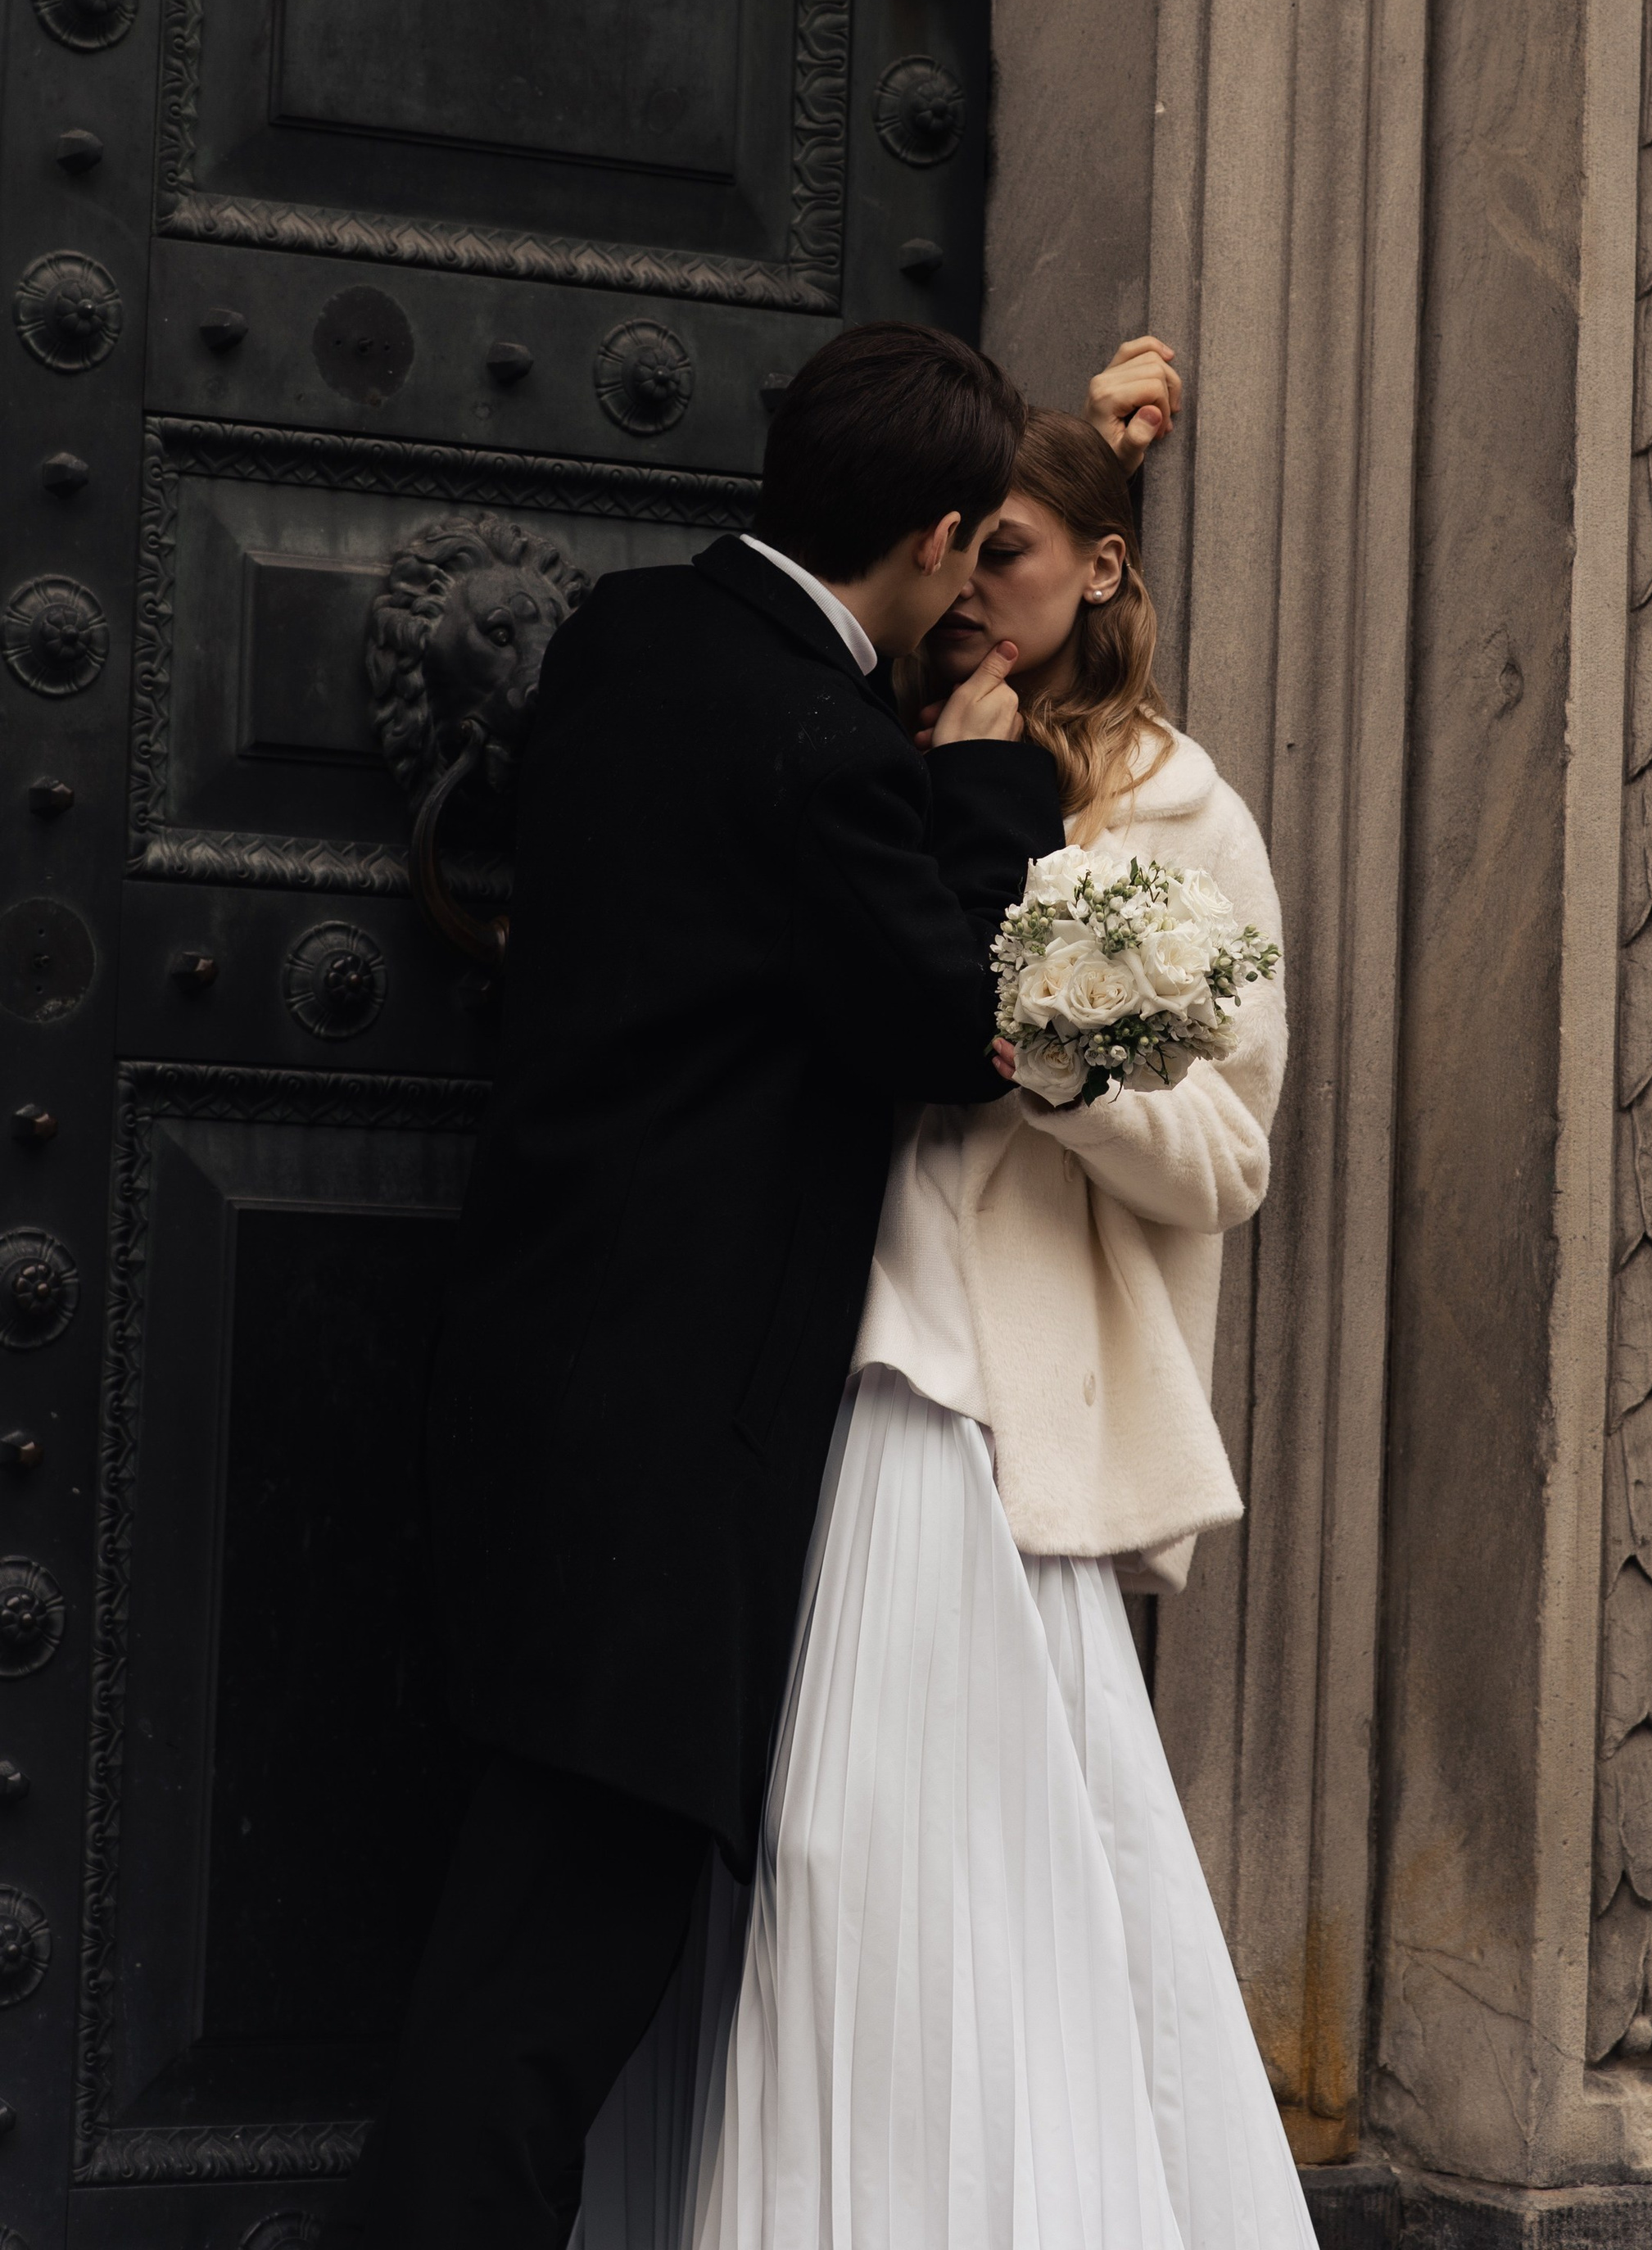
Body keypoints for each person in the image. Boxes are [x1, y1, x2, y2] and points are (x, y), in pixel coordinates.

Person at [337, 324, 1073, 2250]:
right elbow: (949, 1022)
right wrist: (988, 791)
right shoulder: (824, 751)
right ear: (935, 541)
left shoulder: (628, 637)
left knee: (502, 1945)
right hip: (661, 1463)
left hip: (525, 1377)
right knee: (541, 1999)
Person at [575, 401, 1313, 2250]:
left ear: (1102, 568)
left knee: (946, 1879)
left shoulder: (1180, 812)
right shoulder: (857, 742)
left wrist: (1055, 1058)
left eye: (1015, 553)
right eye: (960, 549)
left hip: (990, 1416)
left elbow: (1227, 1155)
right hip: (796, 1379)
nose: (976, 587)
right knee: (800, 1870)